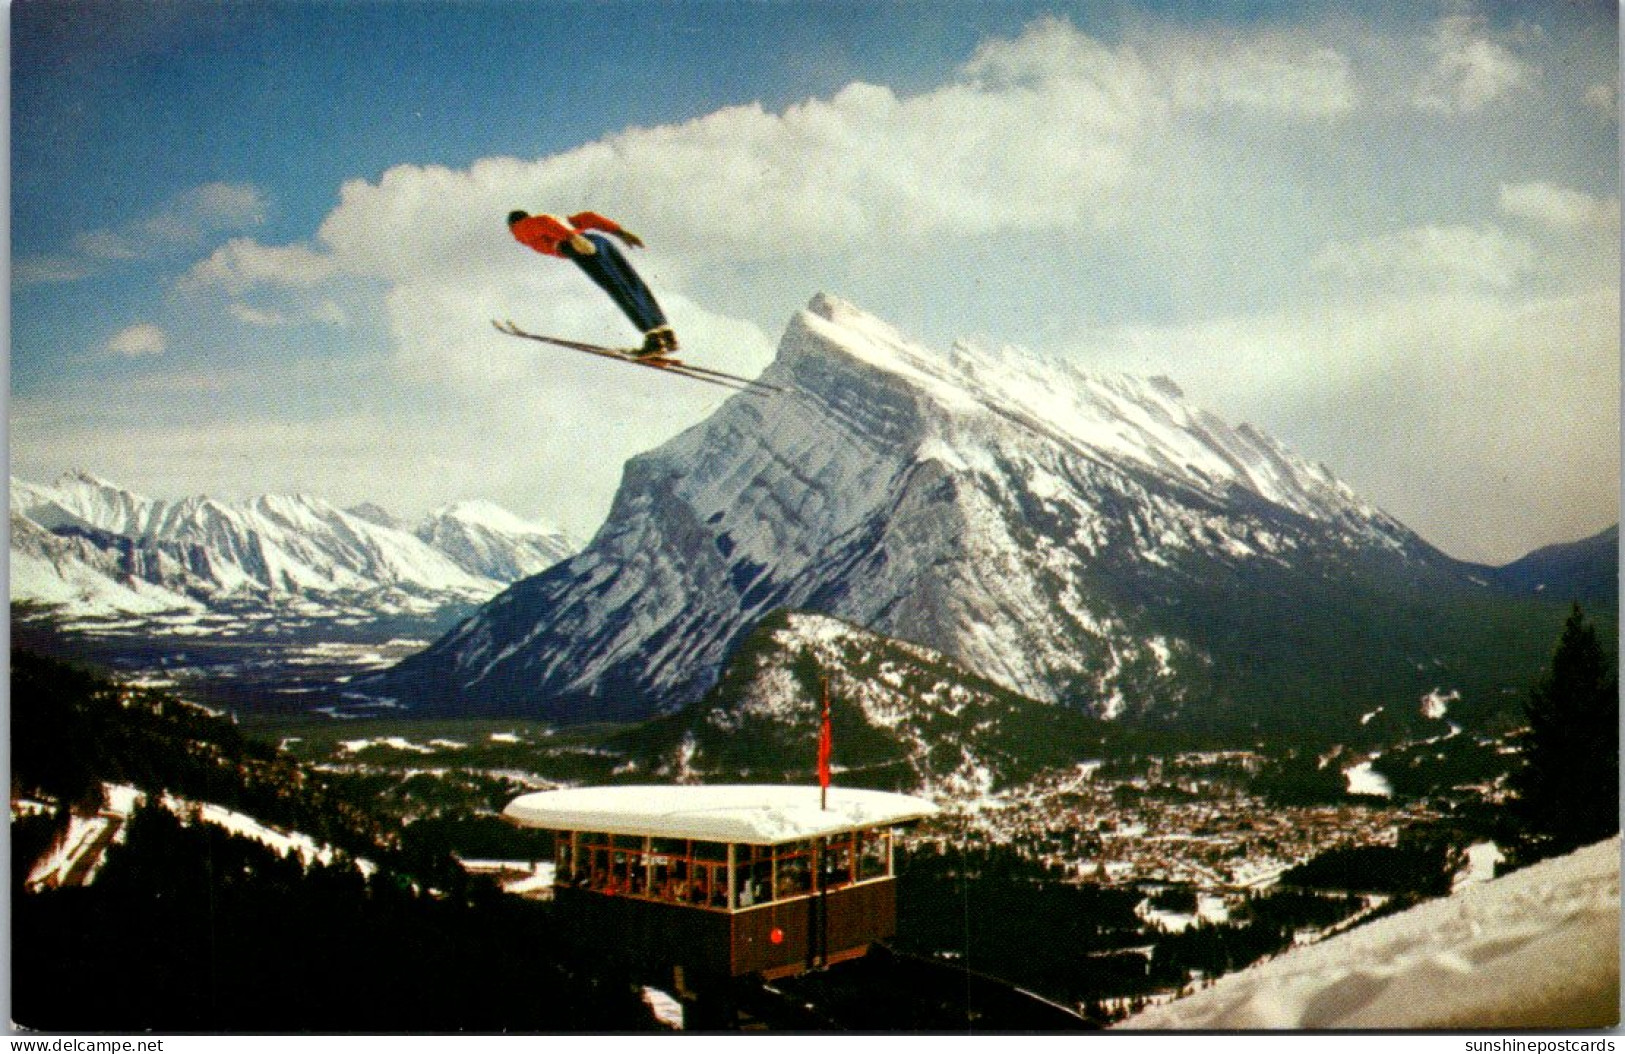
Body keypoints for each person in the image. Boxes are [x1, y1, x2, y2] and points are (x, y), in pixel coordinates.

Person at [507, 210, 678, 358]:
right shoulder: (558, 219)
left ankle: (654, 341)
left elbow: (542, 224)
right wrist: (620, 232)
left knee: (617, 288)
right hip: (600, 241)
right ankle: (665, 335)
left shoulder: (521, 227)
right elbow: (589, 217)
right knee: (632, 283)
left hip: (579, 245)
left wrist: (572, 238)